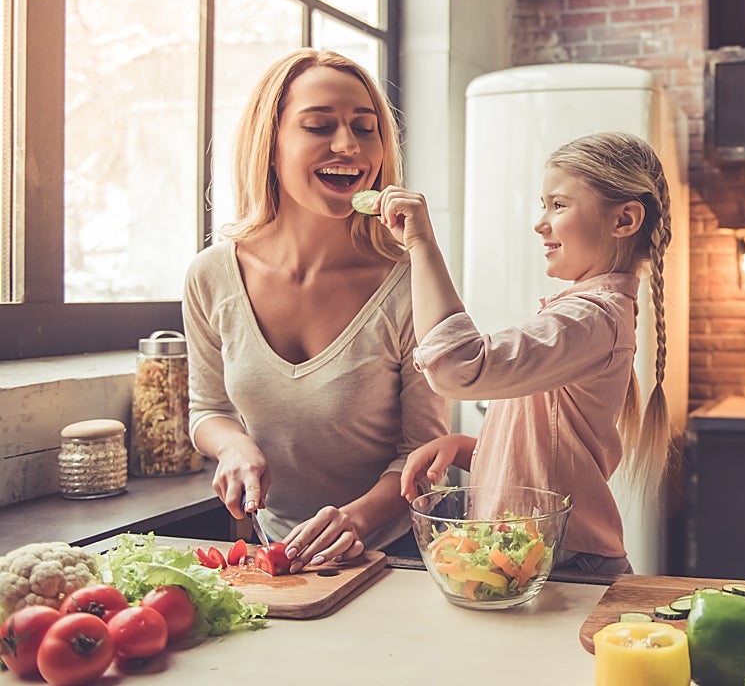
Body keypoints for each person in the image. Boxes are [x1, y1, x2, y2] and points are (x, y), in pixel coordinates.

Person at [184, 48, 450, 572]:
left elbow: (425, 453)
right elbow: (207, 410)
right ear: (271, 144)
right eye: (319, 125)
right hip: (277, 551)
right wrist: (233, 447)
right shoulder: (210, 276)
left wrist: (356, 520)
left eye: (366, 127)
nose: (349, 146)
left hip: (399, 555)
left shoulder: (409, 283)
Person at [378, 131, 673, 575]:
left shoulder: (592, 317)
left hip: (567, 566)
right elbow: (547, 453)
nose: (541, 223)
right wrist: (466, 449)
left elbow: (458, 368)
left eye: (559, 205)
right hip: (541, 560)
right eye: (543, 204)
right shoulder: (589, 315)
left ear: (625, 220)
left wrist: (421, 244)